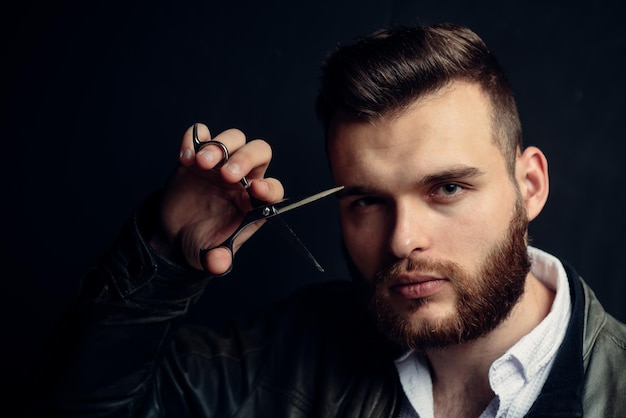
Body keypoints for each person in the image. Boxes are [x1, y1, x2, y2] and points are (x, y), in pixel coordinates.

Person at [26, 23, 626, 418]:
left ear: (530, 187)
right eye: (365, 200)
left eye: (446, 188)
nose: (402, 240)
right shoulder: (294, 352)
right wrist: (162, 257)